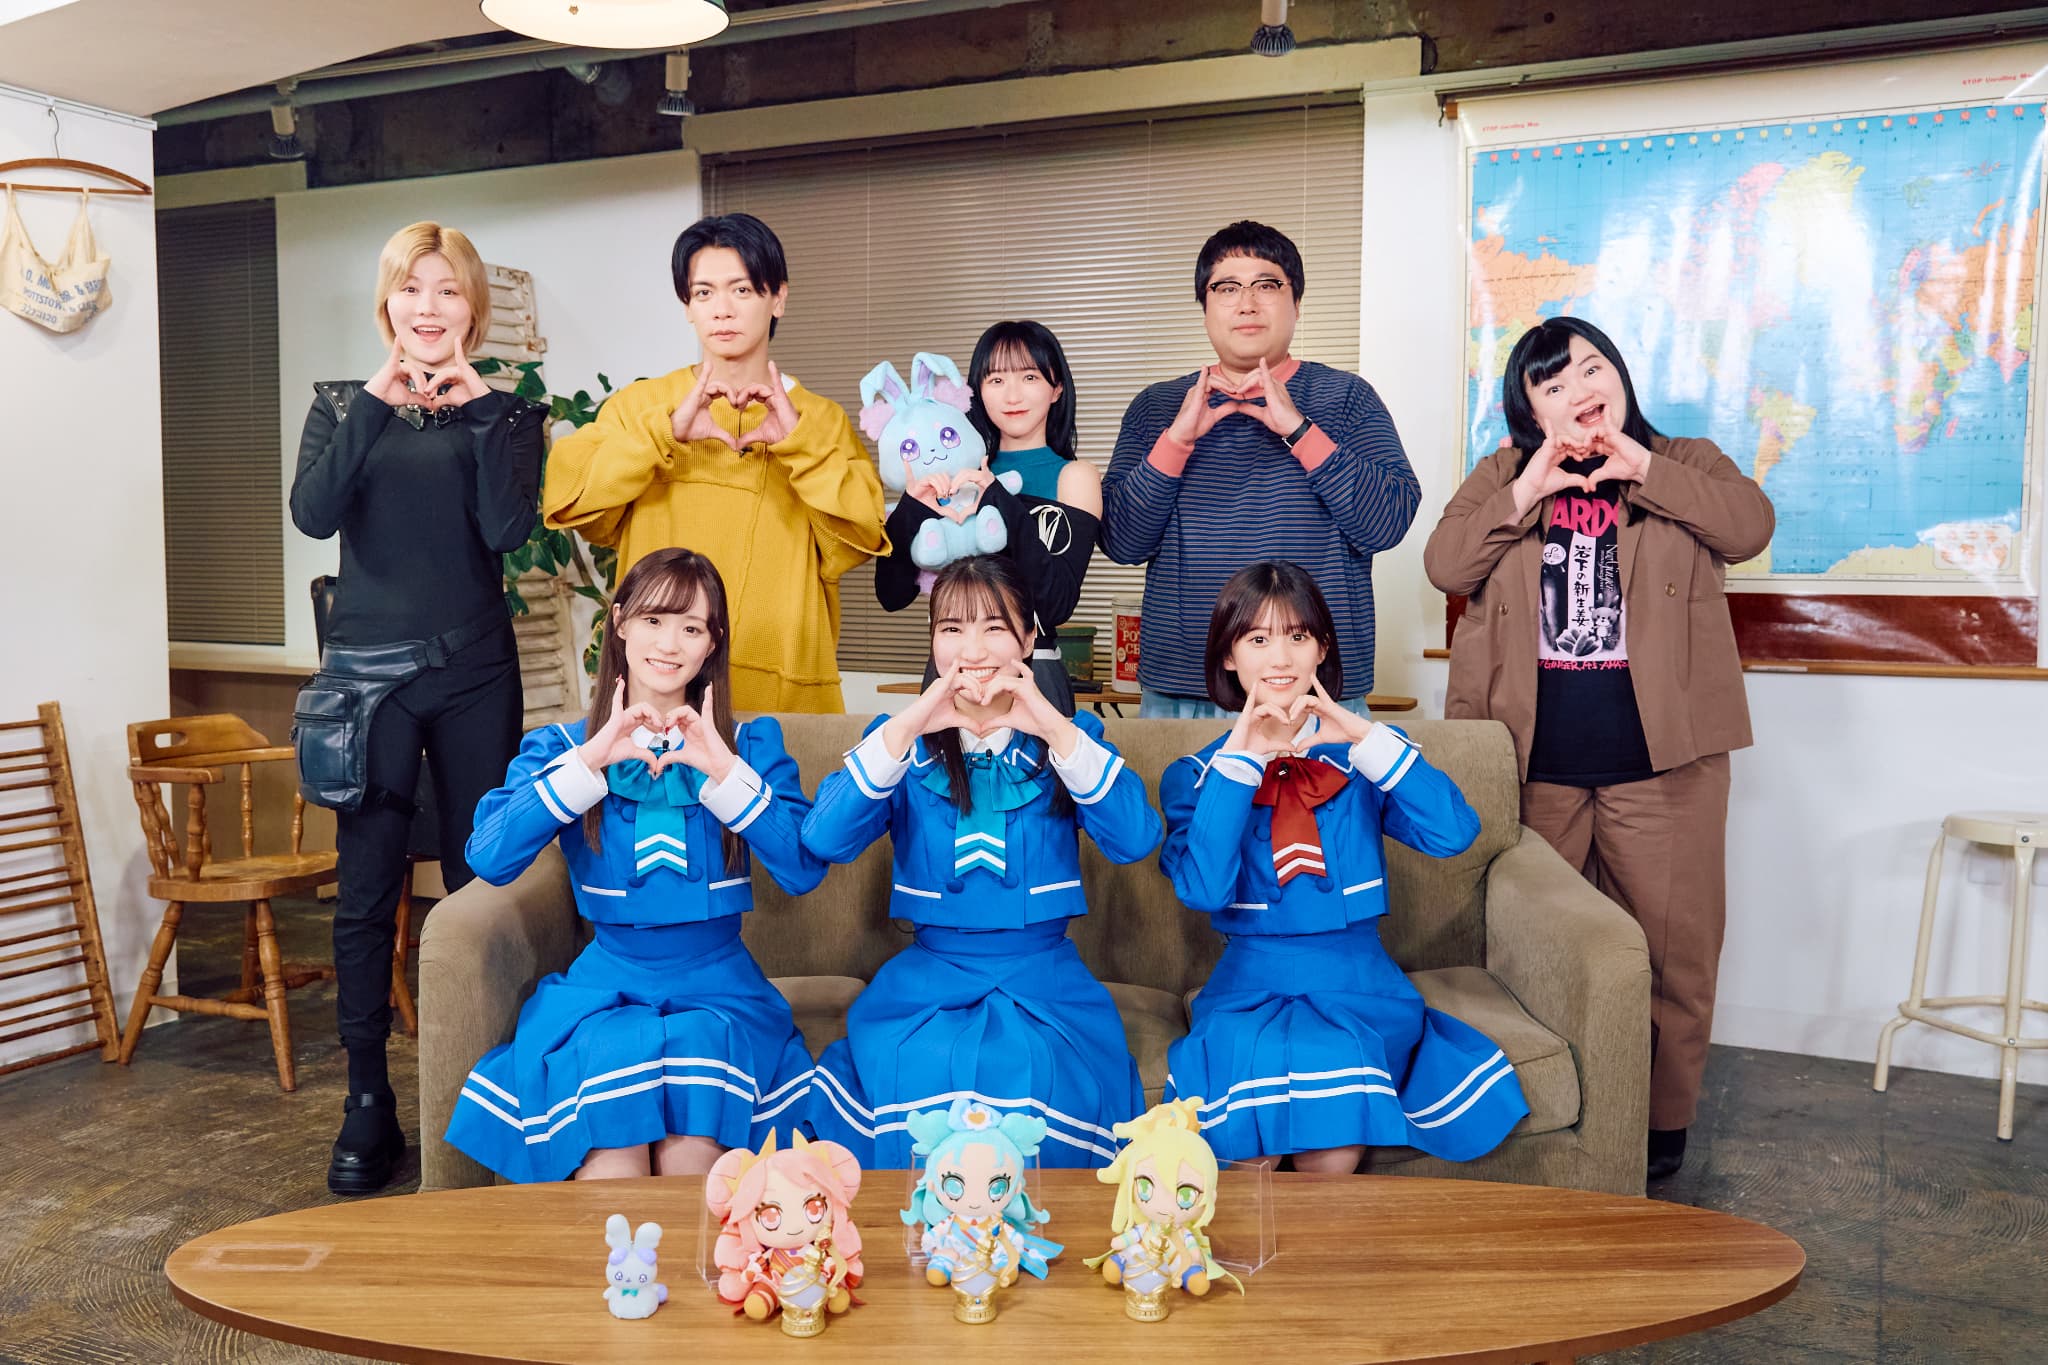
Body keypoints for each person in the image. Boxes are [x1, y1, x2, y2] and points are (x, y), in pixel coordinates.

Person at [1423, 317, 1775, 1183]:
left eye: (1591, 367)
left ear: (1618, 375)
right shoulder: (1504, 475)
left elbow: (1748, 526)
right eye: (1552, 383)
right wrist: (1527, 486)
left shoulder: (1683, 460)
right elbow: (1445, 565)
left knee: (1671, 953)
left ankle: (1658, 1122)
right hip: (1532, 765)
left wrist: (1642, 467)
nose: (1578, 388)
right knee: (1528, 946)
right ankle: (1550, 1108)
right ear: (1530, 411)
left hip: (1663, 766)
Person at [290, 220, 544, 1195]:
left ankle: (488, 1082)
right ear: (387, 303)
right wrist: (376, 403)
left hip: (475, 669)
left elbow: (506, 530)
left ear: (472, 309)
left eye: (446, 291)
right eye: (410, 289)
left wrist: (479, 414)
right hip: (368, 681)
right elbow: (314, 513)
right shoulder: (339, 406)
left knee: (484, 876)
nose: (427, 308)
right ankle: (367, 1100)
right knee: (366, 890)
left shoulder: (510, 417)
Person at [443, 548, 826, 1182]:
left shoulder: (749, 744)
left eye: (692, 627)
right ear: (618, 622)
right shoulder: (562, 745)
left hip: (720, 991)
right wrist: (590, 760)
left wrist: (725, 771)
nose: (669, 644)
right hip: (605, 986)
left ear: (712, 644)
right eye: (653, 620)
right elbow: (488, 857)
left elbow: (803, 870)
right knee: (610, 1166)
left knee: (695, 1168)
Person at [1160, 560, 1528, 1172]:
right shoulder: (1197, 776)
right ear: (1228, 656)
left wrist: (1364, 736)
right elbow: (1202, 891)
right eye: (1258, 639)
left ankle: (1323, 1236)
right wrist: (1241, 765)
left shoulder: (1363, 759)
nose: (1281, 658)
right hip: (1249, 988)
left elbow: (1454, 833)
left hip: (1358, 984)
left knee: (1331, 1147)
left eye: (1298, 636)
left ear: (1323, 648)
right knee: (1246, 1149)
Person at [800, 556, 1160, 1168]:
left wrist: (1055, 728)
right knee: (918, 1073)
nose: (972, 649)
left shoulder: (1071, 737)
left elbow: (1135, 839)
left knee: (1043, 1075)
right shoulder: (902, 741)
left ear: (1028, 638)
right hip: (929, 979)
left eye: (994, 627)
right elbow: (824, 839)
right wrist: (909, 726)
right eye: (951, 628)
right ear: (932, 641)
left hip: (1046, 979)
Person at [541, 212, 889, 713]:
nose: (722, 310)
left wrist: (799, 445)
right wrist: (664, 434)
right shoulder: (644, 406)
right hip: (659, 681)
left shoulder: (819, 420)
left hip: (781, 687)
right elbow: (574, 502)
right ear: (687, 305)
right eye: (703, 292)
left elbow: (857, 540)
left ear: (778, 298)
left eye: (742, 290)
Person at [1100, 220, 1420, 717]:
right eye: (1227, 288)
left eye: (1267, 285)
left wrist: (1299, 430)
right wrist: (1177, 441)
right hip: (1184, 689)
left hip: (1316, 693)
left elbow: (1387, 523)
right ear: (1205, 307)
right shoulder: (1157, 407)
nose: (1247, 303)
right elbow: (1122, 542)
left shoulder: (1347, 398)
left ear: (1296, 303)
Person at [876, 320, 1101, 715]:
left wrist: (997, 497)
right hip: (950, 678)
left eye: (1029, 377)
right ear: (977, 391)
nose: (1012, 394)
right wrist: (912, 508)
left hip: (1033, 677)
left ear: (1057, 388)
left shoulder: (1074, 476)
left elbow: (1056, 604)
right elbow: (892, 596)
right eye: (996, 379)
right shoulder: (952, 470)